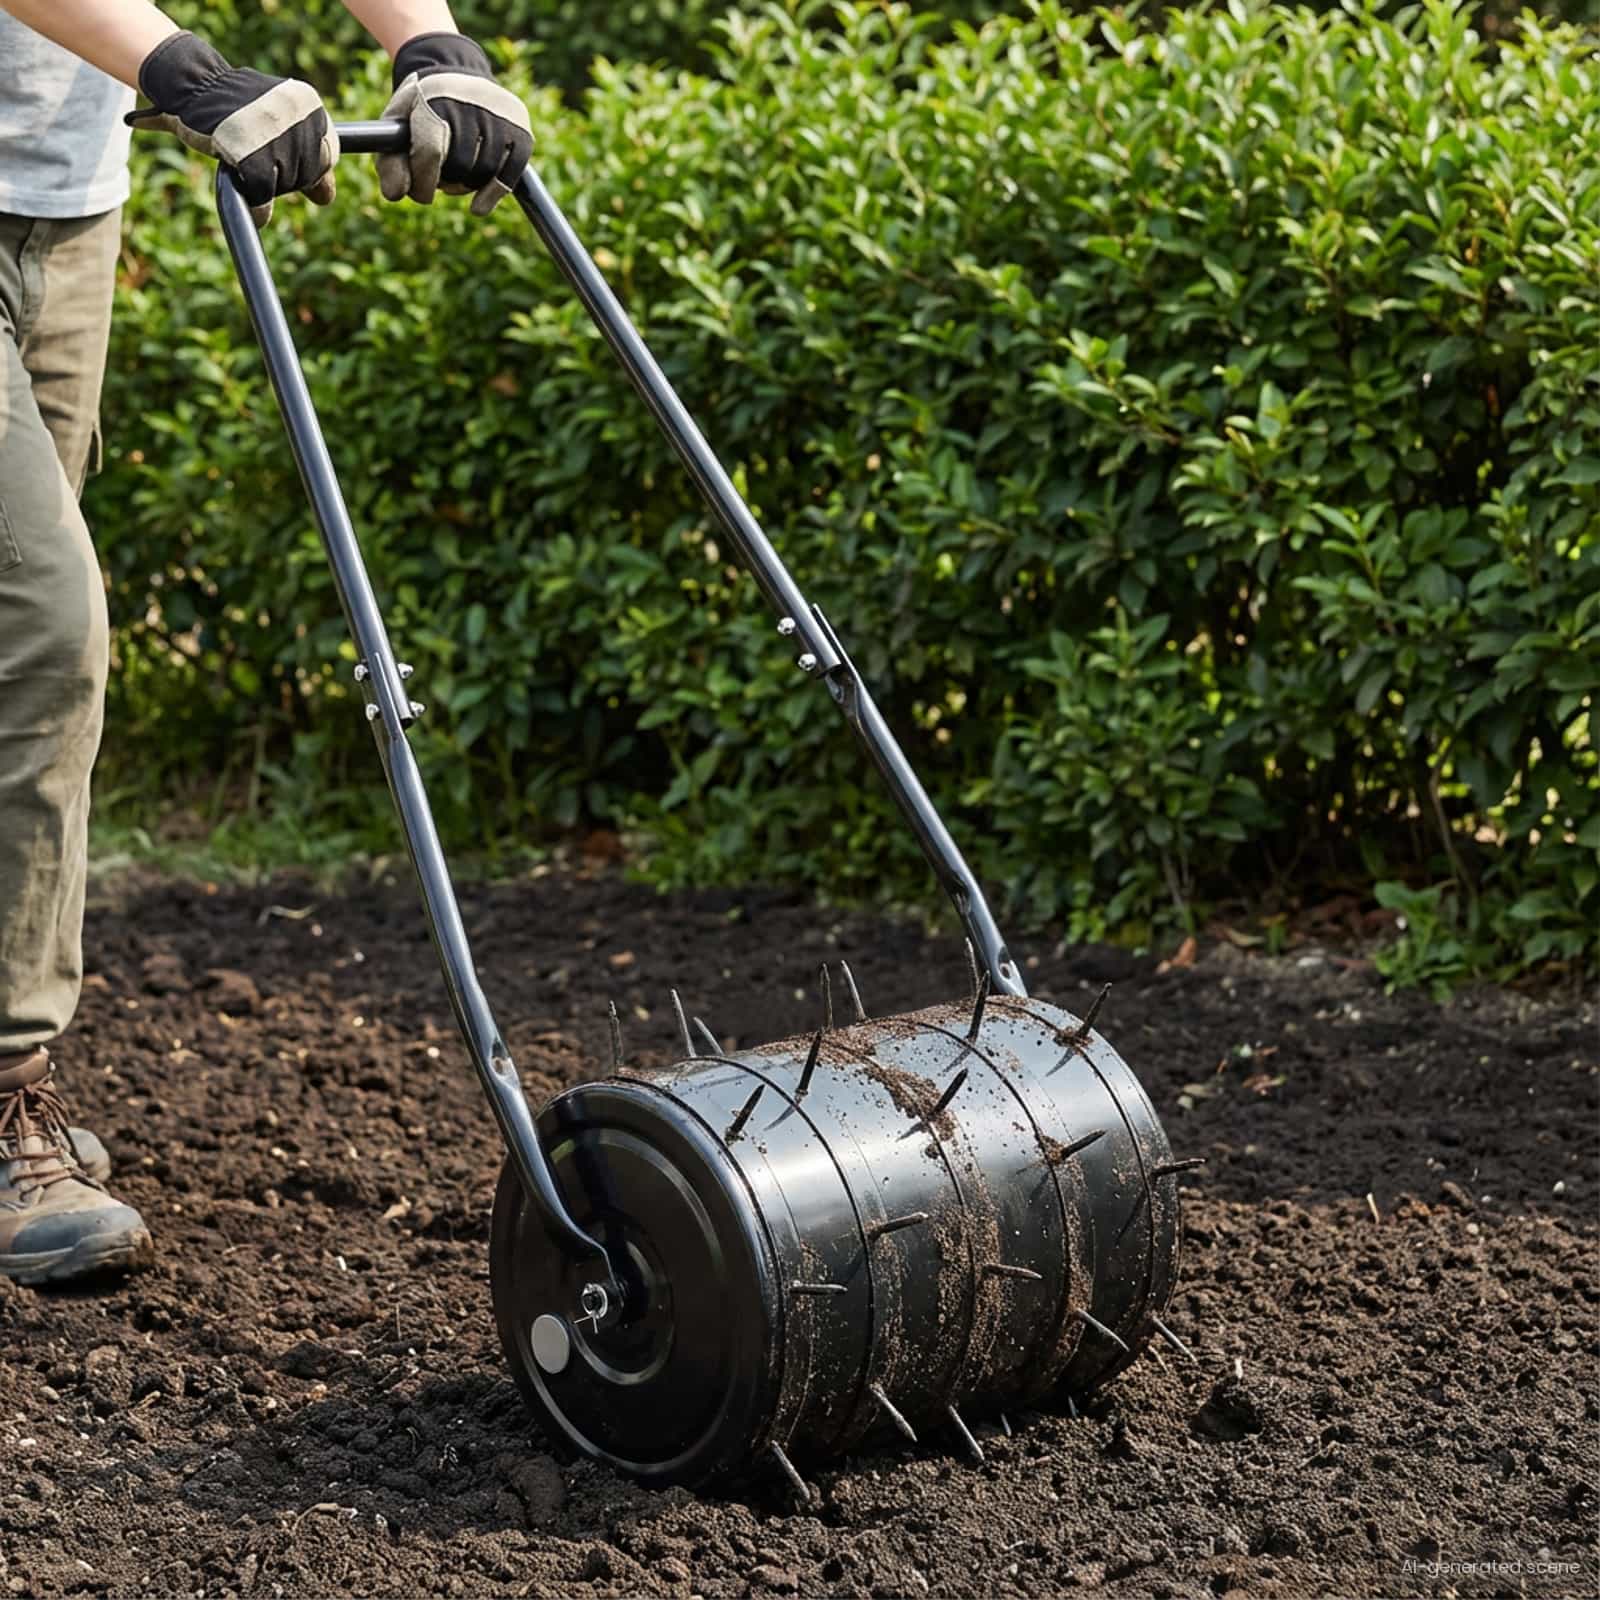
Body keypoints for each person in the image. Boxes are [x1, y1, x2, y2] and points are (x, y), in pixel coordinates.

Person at [0, 0, 532, 1283]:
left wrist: (431, 44)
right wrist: (183, 69)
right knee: (45, 624)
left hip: (64, 206)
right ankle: (4, 1091)